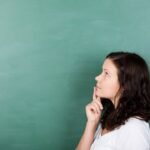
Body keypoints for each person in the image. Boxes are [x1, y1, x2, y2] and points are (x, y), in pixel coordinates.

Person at [76, 51, 150, 150]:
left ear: (125, 84)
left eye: (106, 74)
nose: (97, 78)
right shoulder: (109, 119)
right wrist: (91, 123)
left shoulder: (135, 129)